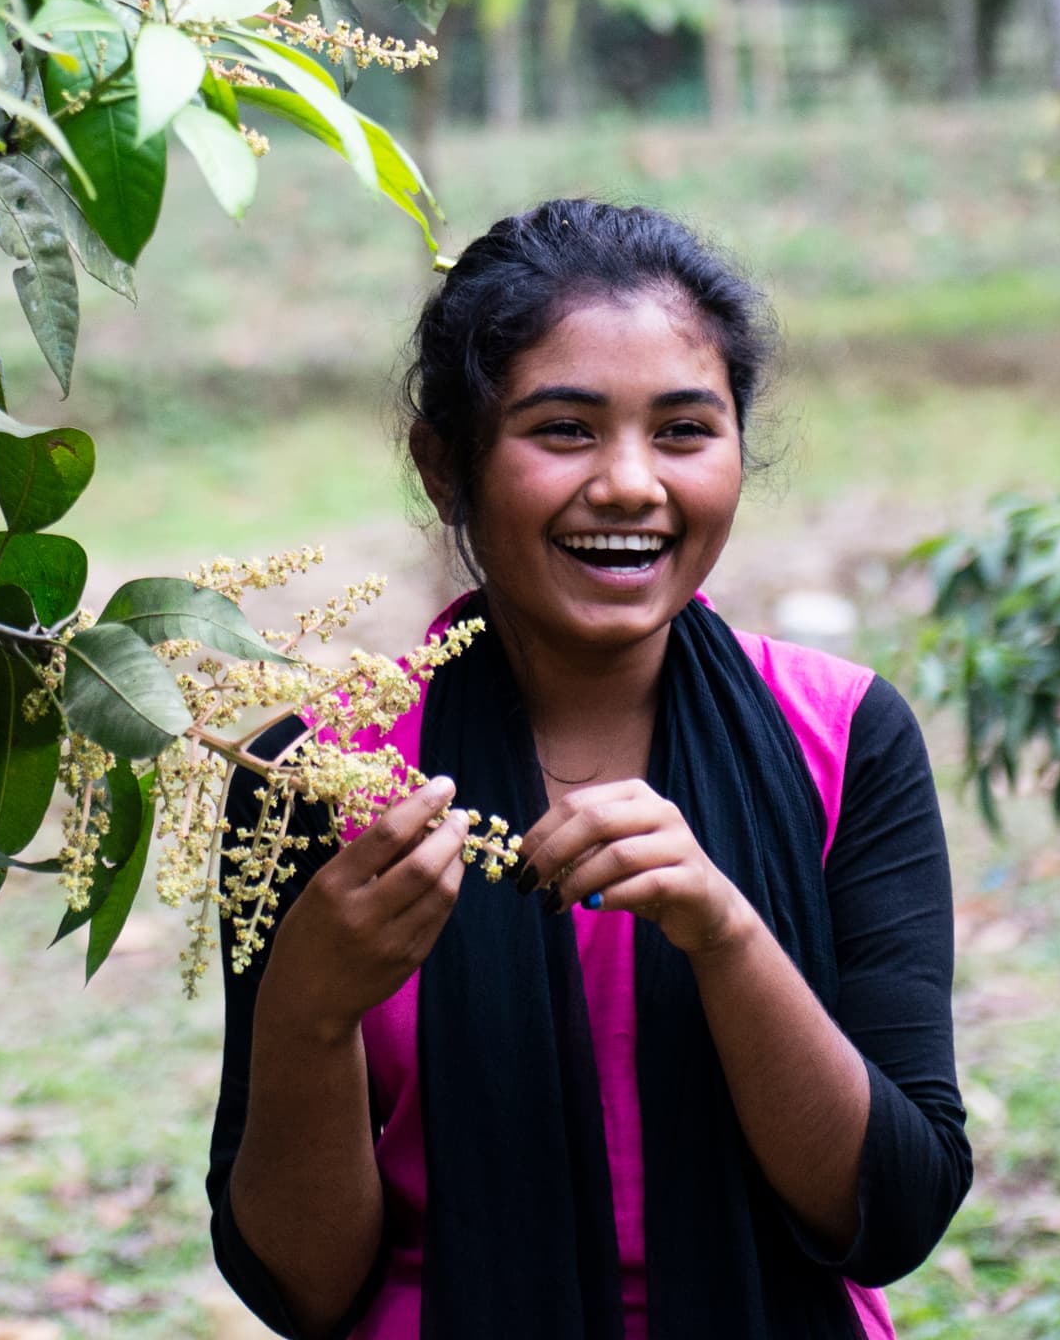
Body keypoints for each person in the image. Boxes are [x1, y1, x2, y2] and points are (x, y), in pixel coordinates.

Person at [206, 199, 972, 1339]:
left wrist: (724, 929)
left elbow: (893, 1214)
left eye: (683, 431)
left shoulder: (846, 735)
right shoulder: (320, 779)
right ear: (445, 465)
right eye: (564, 430)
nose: (628, 484)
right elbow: (300, 1285)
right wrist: (307, 1013)